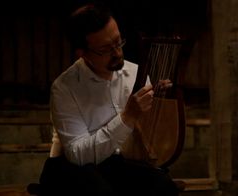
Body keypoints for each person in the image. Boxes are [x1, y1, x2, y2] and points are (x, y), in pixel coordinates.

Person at [31, 2, 179, 196]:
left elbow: (147, 131)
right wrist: (127, 116)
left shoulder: (136, 73)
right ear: (82, 53)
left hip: (118, 163)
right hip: (70, 167)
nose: (117, 53)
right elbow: (77, 155)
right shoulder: (64, 87)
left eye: (118, 42)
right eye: (106, 49)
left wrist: (160, 100)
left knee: (163, 185)